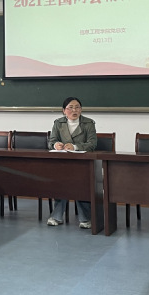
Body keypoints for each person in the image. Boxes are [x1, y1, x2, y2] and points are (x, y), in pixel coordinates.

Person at [47, 96, 97, 229]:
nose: (74, 110)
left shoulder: (89, 123)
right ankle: (57, 216)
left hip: (82, 163)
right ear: (64, 110)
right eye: (70, 108)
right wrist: (56, 145)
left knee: (80, 184)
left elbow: (92, 144)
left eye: (77, 107)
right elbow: (51, 141)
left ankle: (85, 218)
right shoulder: (58, 123)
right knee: (60, 183)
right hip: (63, 162)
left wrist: (75, 147)